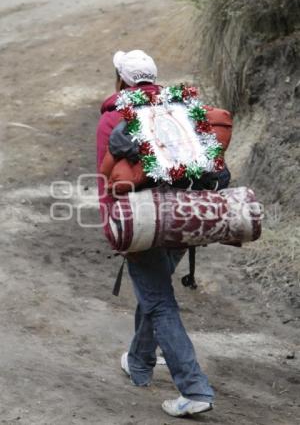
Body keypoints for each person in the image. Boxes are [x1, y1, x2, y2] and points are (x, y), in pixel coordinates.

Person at [96, 50, 215, 417]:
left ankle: (194, 389)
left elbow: (108, 181)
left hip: (143, 219)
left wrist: (115, 228)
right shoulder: (178, 107)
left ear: (121, 80)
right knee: (156, 290)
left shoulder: (114, 117)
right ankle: (139, 361)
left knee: (159, 300)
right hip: (186, 216)